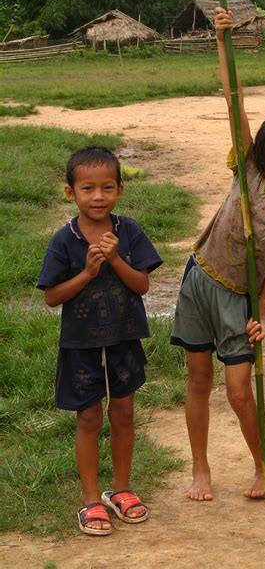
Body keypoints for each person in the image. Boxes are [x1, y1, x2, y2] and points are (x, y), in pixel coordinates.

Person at [170, 7, 265, 501]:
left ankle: (263, 467)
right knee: (198, 380)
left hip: (240, 296)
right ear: (264, 155)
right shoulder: (250, 172)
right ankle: (201, 470)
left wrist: (260, 312)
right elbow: (234, 100)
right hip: (200, 278)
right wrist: (223, 42)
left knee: (239, 391)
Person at [37, 146, 162, 535]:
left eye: (107, 187)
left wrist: (117, 261)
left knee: (123, 413)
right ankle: (91, 499)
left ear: (120, 191)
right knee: (89, 416)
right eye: (87, 188)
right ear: (69, 192)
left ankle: (121, 490)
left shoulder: (129, 232)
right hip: (80, 342)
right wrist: (88, 272)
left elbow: (141, 285)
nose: (98, 197)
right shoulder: (65, 238)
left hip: (124, 337)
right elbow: (52, 296)